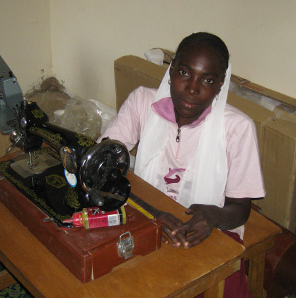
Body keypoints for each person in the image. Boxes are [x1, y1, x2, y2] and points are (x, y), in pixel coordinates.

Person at [100, 32, 261, 298]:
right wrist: (152, 214)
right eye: (185, 72)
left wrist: (211, 216)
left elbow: (240, 209)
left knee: (216, 283)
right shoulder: (142, 102)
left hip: (207, 228)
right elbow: (103, 165)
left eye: (208, 80)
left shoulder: (237, 128)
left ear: (221, 85)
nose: (192, 88)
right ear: (171, 69)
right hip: (145, 211)